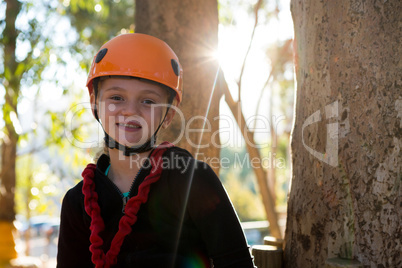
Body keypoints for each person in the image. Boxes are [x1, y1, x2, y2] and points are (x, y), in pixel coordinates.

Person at [57, 33, 255, 268]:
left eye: (148, 101)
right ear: (94, 102)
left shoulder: (190, 178)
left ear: (169, 114)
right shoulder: (78, 202)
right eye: (117, 97)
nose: (131, 111)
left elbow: (236, 263)